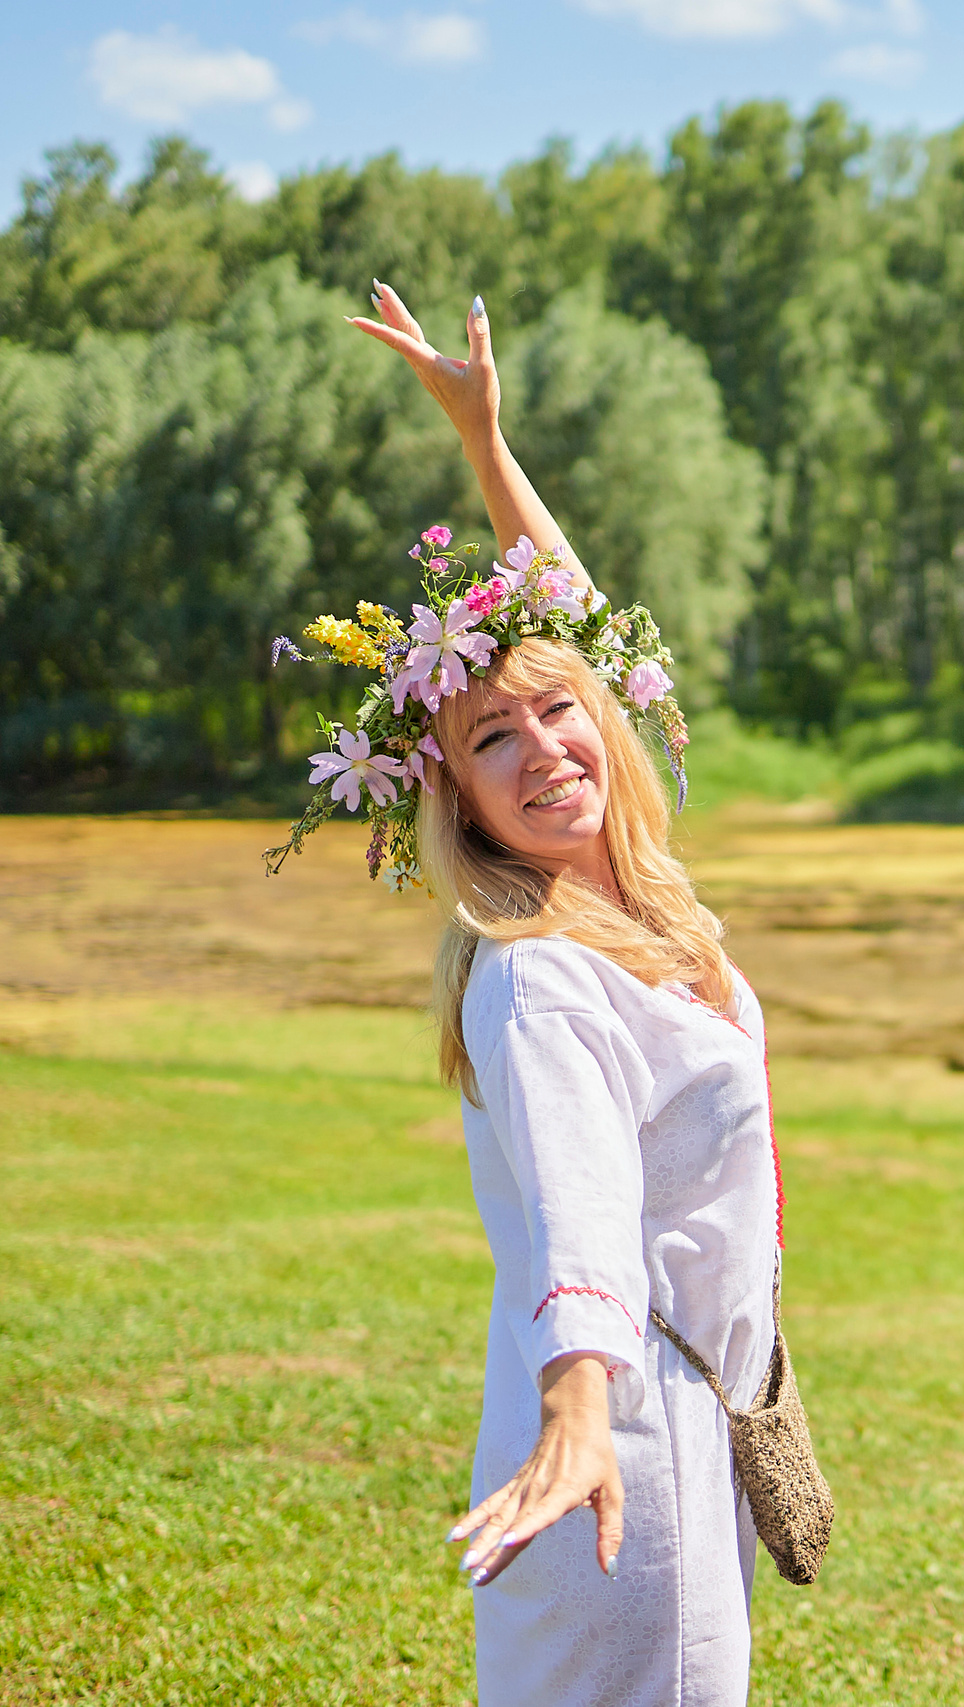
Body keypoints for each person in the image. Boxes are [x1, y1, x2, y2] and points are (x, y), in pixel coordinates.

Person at [311, 281, 782, 1706]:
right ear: (454, 793)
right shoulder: (542, 976)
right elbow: (582, 1203)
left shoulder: (635, 901)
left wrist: (484, 441)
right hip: (621, 1458)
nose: (544, 749)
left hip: (687, 1425)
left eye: (557, 710)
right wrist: (580, 1403)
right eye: (489, 737)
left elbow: (581, 629)